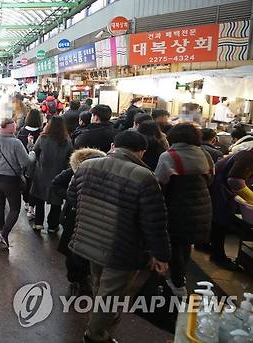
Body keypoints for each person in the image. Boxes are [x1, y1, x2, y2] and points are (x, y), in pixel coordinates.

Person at [68, 131, 170, 343]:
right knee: (111, 294)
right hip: (123, 246)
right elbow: (154, 222)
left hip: (89, 237)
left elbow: (71, 197)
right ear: (141, 152)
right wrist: (161, 255)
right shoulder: (145, 177)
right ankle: (95, 335)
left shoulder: (87, 166)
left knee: (99, 283)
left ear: (114, 145)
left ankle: (100, 319)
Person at [155, 123, 214, 296]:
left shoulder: (169, 156)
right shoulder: (206, 154)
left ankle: (178, 284)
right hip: (202, 206)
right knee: (187, 244)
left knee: (174, 245)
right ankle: (180, 278)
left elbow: (160, 182)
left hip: (177, 207)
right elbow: (210, 179)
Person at [51, 148, 106, 297]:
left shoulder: (105, 174)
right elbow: (56, 184)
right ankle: (76, 279)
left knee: (88, 250)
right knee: (73, 250)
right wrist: (71, 198)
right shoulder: (73, 171)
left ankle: (85, 278)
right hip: (75, 216)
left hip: (95, 217)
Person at [0, 118, 29, 248]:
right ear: (12, 128)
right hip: (11, 180)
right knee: (14, 209)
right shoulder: (17, 143)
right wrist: (32, 153)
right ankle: (4, 232)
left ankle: (1, 230)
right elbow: (25, 162)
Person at [208, 148, 253, 270]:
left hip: (221, 187)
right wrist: (251, 198)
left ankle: (207, 246)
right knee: (220, 222)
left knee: (217, 221)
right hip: (221, 188)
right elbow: (235, 180)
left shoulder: (246, 153)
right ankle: (218, 256)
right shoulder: (249, 157)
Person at [28, 116, 73, 232]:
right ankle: (53, 226)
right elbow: (70, 158)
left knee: (39, 200)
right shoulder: (66, 140)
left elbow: (35, 153)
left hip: (41, 173)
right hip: (59, 175)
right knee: (56, 202)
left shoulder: (43, 138)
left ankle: (38, 223)